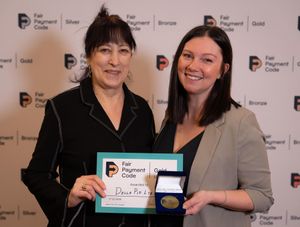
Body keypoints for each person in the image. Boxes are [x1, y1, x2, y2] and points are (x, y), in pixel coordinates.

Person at [22, 5, 155, 227]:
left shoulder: (142, 109)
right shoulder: (62, 108)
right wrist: (68, 197)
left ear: (130, 55)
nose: (115, 61)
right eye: (105, 50)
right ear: (89, 56)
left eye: (123, 50)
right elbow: (37, 174)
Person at [151, 25, 273, 227]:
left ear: (222, 70)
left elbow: (262, 197)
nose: (193, 66)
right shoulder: (171, 117)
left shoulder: (241, 121)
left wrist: (212, 196)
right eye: (188, 56)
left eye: (207, 60)